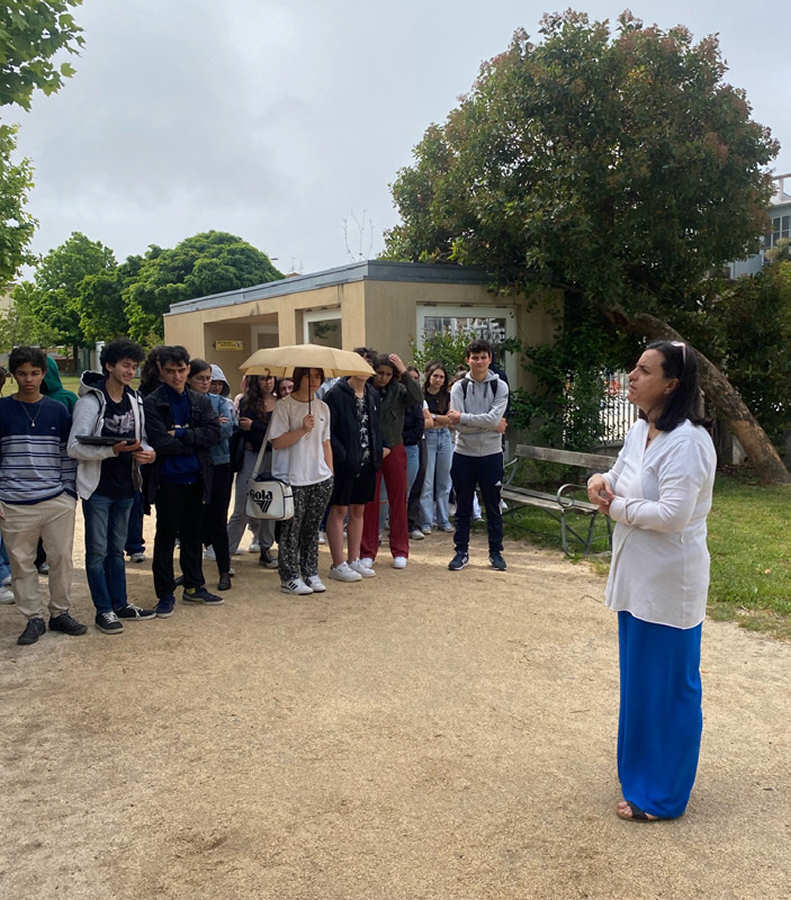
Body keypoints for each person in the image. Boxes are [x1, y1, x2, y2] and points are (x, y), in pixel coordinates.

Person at [586, 340, 716, 822]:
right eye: (634, 367)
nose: (633, 375)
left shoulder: (689, 443)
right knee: (641, 685)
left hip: (669, 582)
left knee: (669, 689)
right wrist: (599, 481)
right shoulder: (641, 430)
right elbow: (619, 474)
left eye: (644, 370)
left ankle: (663, 795)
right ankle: (639, 775)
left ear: (671, 384)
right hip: (636, 577)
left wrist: (616, 507)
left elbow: (673, 514)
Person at [67, 339, 157, 634]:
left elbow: (141, 439)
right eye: (125, 365)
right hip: (98, 489)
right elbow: (73, 448)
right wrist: (111, 451)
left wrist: (148, 453)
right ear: (109, 365)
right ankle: (103, 609)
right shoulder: (90, 402)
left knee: (117, 550)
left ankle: (119, 604)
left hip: (127, 486)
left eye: (134, 366)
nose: (131, 371)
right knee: (97, 552)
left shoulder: (135, 400)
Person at [0, 347, 86, 645]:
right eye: (22, 373)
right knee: (21, 563)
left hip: (55, 499)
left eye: (35, 373)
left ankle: (60, 612)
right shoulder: (2, 409)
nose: (29, 379)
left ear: (44, 374)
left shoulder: (57, 410)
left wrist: (68, 493)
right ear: (14, 375)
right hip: (14, 501)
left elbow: (66, 454)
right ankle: (33, 618)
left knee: (61, 558)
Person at [143, 345, 222, 616]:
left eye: (181, 370)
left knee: (193, 535)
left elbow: (213, 434)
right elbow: (159, 441)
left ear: (188, 369)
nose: (176, 376)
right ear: (161, 371)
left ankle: (193, 585)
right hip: (167, 480)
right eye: (170, 371)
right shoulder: (152, 402)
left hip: (197, 478)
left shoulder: (199, 400)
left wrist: (179, 434)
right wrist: (191, 439)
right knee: (166, 537)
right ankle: (165, 593)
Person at [269, 367, 333, 595]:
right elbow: (277, 442)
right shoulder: (283, 406)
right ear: (298, 378)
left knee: (312, 528)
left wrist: (330, 472)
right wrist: (302, 429)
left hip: (320, 477)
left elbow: (326, 442)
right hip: (292, 477)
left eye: (318, 377)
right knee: (290, 530)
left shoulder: (323, 407)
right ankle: (289, 576)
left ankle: (310, 571)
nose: (314, 381)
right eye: (309, 376)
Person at [446, 339, 509, 572]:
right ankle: (461, 552)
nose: (479, 361)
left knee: (493, 506)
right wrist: (488, 424)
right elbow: (458, 427)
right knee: (463, 506)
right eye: (475, 357)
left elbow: (492, 419)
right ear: (468, 360)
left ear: (490, 359)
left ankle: (496, 553)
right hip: (463, 454)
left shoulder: (500, 387)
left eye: (483, 357)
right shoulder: (458, 388)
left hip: (491, 455)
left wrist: (464, 418)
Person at [360, 353, 422, 570]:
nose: (383, 377)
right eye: (380, 373)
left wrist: (404, 372)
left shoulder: (399, 390)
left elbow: (417, 398)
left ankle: (400, 549)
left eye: (388, 374)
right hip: (371, 449)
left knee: (398, 500)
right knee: (370, 501)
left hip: (395, 447)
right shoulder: (366, 389)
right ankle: (367, 551)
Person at [324, 370, 383, 582]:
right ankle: (338, 563)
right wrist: (343, 456)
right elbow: (329, 431)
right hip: (345, 463)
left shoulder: (372, 393)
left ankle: (354, 559)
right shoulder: (335, 394)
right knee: (339, 509)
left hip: (368, 461)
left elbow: (376, 425)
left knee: (359, 509)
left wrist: (378, 450)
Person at [188, 361, 237, 591]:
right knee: (195, 520)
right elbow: (183, 432)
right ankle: (193, 575)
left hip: (220, 465)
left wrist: (196, 431)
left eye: (209, 378)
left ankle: (224, 570)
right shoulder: (186, 402)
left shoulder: (221, 402)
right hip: (194, 466)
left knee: (218, 519)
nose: (206, 383)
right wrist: (211, 425)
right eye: (201, 378)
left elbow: (226, 430)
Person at [226, 372, 279, 567]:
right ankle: (227, 551)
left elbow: (279, 433)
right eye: (263, 378)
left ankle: (266, 548)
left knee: (270, 506)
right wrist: (262, 429)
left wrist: (256, 426)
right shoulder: (247, 402)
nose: (268, 382)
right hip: (251, 456)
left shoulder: (281, 403)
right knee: (242, 506)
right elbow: (245, 429)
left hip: (274, 457)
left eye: (271, 378)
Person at [125, 345, 166, 564]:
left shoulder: (179, 390)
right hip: (146, 447)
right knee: (138, 497)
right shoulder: (144, 392)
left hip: (165, 450)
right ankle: (134, 544)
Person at [419, 362, 454, 533]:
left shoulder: (448, 396)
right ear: (429, 376)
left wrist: (434, 418)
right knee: (427, 481)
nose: (438, 380)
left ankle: (443, 519)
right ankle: (426, 521)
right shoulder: (422, 395)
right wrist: (438, 419)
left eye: (441, 377)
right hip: (429, 437)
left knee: (444, 480)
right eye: (435, 376)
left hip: (445, 436)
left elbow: (450, 419)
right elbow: (425, 420)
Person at [404, 366, 427, 541]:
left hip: (415, 443)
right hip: (396, 445)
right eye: (409, 378)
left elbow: (424, 422)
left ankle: (412, 524)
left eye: (415, 378)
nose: (412, 381)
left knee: (416, 485)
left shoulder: (419, 400)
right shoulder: (397, 396)